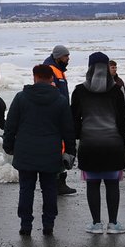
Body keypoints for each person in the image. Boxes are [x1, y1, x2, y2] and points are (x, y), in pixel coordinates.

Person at [2, 64, 76, 236]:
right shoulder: (60, 100)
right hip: (50, 152)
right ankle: (48, 224)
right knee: (49, 189)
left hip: (25, 150)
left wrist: (8, 146)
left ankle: (25, 224)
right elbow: (68, 129)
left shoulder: (21, 98)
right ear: (51, 78)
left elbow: (10, 125)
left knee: (26, 189)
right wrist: (71, 151)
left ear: (34, 77)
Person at [72, 53, 125, 233]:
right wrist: (122, 135)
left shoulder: (79, 91)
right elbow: (124, 119)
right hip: (113, 145)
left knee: (93, 183)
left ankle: (96, 224)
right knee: (112, 184)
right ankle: (113, 223)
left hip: (89, 145)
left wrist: (81, 134)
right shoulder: (116, 91)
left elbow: (73, 119)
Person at [43, 45, 76, 195]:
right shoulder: (50, 70)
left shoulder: (59, 70)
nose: (68, 59)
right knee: (58, 148)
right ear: (58, 57)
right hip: (55, 116)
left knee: (61, 147)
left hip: (61, 113)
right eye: (65, 56)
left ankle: (59, 180)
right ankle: (57, 182)